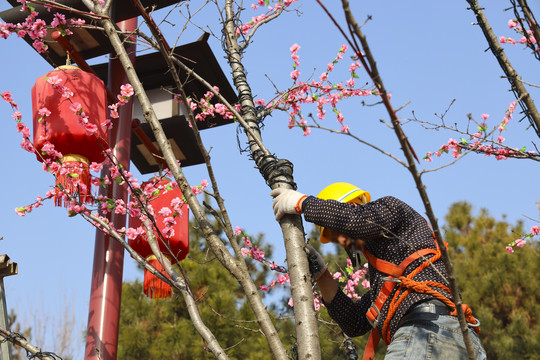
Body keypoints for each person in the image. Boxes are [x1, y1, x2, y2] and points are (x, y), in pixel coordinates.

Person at [271, 183, 486, 360]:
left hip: (426, 332)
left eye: (338, 233)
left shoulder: (391, 209)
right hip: (461, 344)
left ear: (354, 205)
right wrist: (321, 274)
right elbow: (354, 322)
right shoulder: (390, 283)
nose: (342, 240)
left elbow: (358, 221)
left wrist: (303, 203)